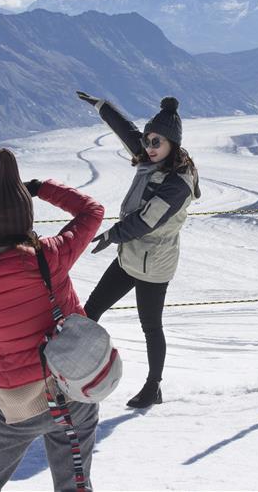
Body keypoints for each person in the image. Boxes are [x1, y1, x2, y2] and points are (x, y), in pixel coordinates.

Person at [0, 148, 105, 492]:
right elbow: (92, 211)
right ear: (25, 218)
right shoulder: (51, 256)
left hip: (11, 403)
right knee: (75, 487)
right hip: (71, 390)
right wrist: (40, 187)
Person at [76, 92, 201, 409]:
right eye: (148, 141)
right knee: (90, 312)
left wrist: (112, 235)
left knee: (150, 326)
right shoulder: (152, 156)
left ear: (172, 142)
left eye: (156, 141)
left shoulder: (179, 183)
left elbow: (147, 220)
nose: (148, 146)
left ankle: (153, 387)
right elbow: (129, 132)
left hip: (155, 264)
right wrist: (103, 107)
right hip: (130, 255)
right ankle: (77, 377)